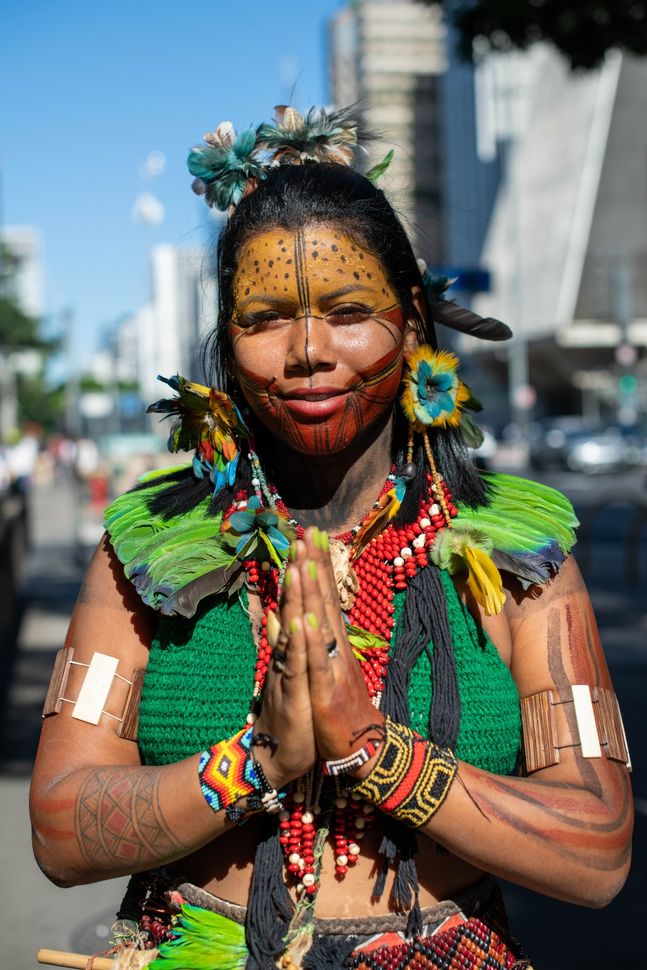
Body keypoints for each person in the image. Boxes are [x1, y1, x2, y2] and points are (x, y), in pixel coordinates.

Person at [30, 107, 632, 970]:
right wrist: (258, 759)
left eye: (349, 310)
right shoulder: (153, 544)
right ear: (226, 343)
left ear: (413, 322)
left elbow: (600, 847)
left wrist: (374, 749)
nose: (308, 350)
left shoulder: (516, 549)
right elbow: (58, 825)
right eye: (266, 316)